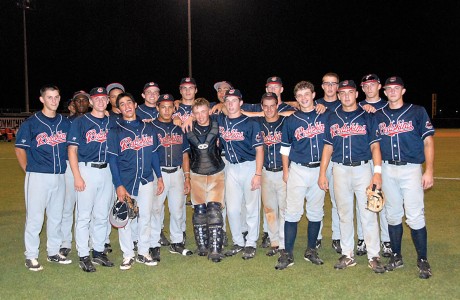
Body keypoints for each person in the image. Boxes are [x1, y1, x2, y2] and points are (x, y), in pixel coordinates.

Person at [318, 80, 385, 273]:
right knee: (344, 213)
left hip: (363, 169)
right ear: (338, 96)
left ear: (356, 94)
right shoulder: (332, 117)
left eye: (350, 92)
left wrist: (377, 173)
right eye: (343, 93)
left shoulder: (367, 115)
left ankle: (374, 255)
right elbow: (328, 147)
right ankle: (348, 254)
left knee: (368, 213)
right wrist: (323, 173)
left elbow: (375, 146)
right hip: (339, 169)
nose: (346, 96)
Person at [374, 76, 434, 279]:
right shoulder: (379, 115)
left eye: (396, 88)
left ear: (403, 90)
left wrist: (429, 170)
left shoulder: (417, 111)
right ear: (384, 91)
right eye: (389, 88)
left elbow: (428, 142)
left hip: (411, 168)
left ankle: (423, 259)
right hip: (388, 169)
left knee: (415, 215)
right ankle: (396, 256)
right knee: (392, 214)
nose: (392, 91)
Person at [15, 84, 72, 271]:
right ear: (42, 99)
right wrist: (28, 170)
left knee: (56, 216)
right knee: (35, 217)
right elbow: (20, 149)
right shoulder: (31, 123)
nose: (54, 101)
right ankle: (31, 255)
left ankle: (53, 252)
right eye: (50, 97)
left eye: (56, 97)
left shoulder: (65, 122)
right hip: (38, 175)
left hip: (60, 175)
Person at [107, 92, 165, 270]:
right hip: (126, 180)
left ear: (135, 104)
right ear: (118, 109)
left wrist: (160, 176)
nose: (126, 106)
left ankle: (143, 252)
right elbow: (113, 160)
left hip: (146, 179)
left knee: (145, 216)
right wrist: (118, 185)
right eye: (122, 104)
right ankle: (128, 254)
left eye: (129, 102)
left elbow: (154, 154)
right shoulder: (115, 131)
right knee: (125, 218)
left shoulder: (149, 129)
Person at [276, 81, 328, 270]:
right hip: (297, 168)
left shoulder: (325, 115)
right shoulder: (291, 120)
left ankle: (311, 249)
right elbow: (285, 148)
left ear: (314, 95)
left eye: (307, 94)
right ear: (296, 99)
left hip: (319, 170)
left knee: (315, 211)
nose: (304, 98)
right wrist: (286, 170)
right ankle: (287, 253)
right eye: (300, 96)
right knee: (292, 212)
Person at [67, 87, 115, 272]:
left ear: (108, 102)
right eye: (97, 98)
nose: (101, 101)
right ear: (91, 102)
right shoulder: (80, 122)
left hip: (107, 170)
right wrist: (77, 176)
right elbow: (72, 150)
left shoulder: (112, 122)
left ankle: (98, 251)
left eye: (104, 98)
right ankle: (83, 254)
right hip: (86, 169)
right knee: (84, 215)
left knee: (102, 214)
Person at [217, 89, 264, 260]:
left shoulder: (251, 123)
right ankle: (238, 242)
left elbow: (260, 149)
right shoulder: (221, 121)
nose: (230, 104)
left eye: (234, 100)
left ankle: (251, 243)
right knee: (233, 208)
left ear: (240, 103)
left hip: (249, 166)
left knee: (251, 207)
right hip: (231, 168)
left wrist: (258, 174)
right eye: (227, 100)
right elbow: (203, 112)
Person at [185, 98, 226, 262]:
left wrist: (222, 104)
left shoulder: (218, 124)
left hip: (216, 173)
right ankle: (202, 245)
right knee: (199, 210)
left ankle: (216, 249)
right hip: (196, 174)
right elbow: (184, 155)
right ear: (192, 114)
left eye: (203, 111)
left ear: (209, 111)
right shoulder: (187, 128)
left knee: (214, 210)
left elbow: (232, 108)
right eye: (197, 113)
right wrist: (186, 177)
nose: (201, 116)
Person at [152, 94, 193, 256]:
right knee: (155, 209)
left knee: (177, 209)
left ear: (174, 109)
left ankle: (176, 242)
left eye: (170, 107)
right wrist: (156, 176)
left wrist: (187, 177)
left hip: (177, 172)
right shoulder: (150, 128)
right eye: (163, 107)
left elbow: (184, 155)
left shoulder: (179, 129)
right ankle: (153, 243)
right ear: (157, 108)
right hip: (158, 172)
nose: (167, 110)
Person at [358, 73, 392, 258]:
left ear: (379, 86)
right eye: (366, 85)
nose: (369, 88)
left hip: (383, 158)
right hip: (364, 158)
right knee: (365, 200)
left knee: (383, 199)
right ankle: (363, 238)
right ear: (362, 89)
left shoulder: (389, 106)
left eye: (372, 84)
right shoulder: (357, 106)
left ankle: (386, 240)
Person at [136, 81, 171, 247]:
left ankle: (158, 232)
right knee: (142, 204)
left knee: (158, 205)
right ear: (143, 95)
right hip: (141, 162)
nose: (152, 94)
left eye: (155, 92)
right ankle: (138, 236)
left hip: (158, 161)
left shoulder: (163, 109)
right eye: (149, 92)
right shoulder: (136, 111)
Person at [60, 90, 90, 257]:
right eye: (77, 100)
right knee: (68, 205)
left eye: (84, 100)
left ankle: (88, 241)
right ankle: (65, 242)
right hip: (69, 167)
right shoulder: (65, 122)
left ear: (89, 103)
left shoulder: (94, 120)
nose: (81, 103)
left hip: (88, 166)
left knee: (86, 208)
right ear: (72, 104)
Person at [257, 92, 288, 257]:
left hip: (283, 171)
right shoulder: (258, 122)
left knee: (284, 209)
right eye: (266, 106)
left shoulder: (286, 122)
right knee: (269, 209)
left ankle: (283, 244)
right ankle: (274, 242)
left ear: (277, 106)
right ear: (262, 107)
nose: (269, 109)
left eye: (272, 105)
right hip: (266, 172)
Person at [315, 72, 342, 253]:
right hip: (317, 158)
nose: (330, 87)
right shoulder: (314, 103)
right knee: (316, 202)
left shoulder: (346, 103)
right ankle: (315, 237)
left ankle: (337, 237)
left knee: (337, 200)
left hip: (338, 159)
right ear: (322, 86)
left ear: (338, 86)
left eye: (334, 84)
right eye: (327, 84)